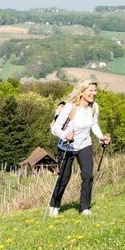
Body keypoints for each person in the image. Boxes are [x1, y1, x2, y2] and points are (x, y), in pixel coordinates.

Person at [48, 80, 111, 217]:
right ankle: (54, 205)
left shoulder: (94, 107)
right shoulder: (70, 107)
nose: (93, 93)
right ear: (82, 92)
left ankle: (84, 208)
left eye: (95, 90)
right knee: (64, 178)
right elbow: (55, 128)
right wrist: (65, 135)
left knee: (88, 175)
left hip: (84, 145)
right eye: (90, 90)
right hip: (67, 146)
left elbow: (94, 124)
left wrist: (101, 137)